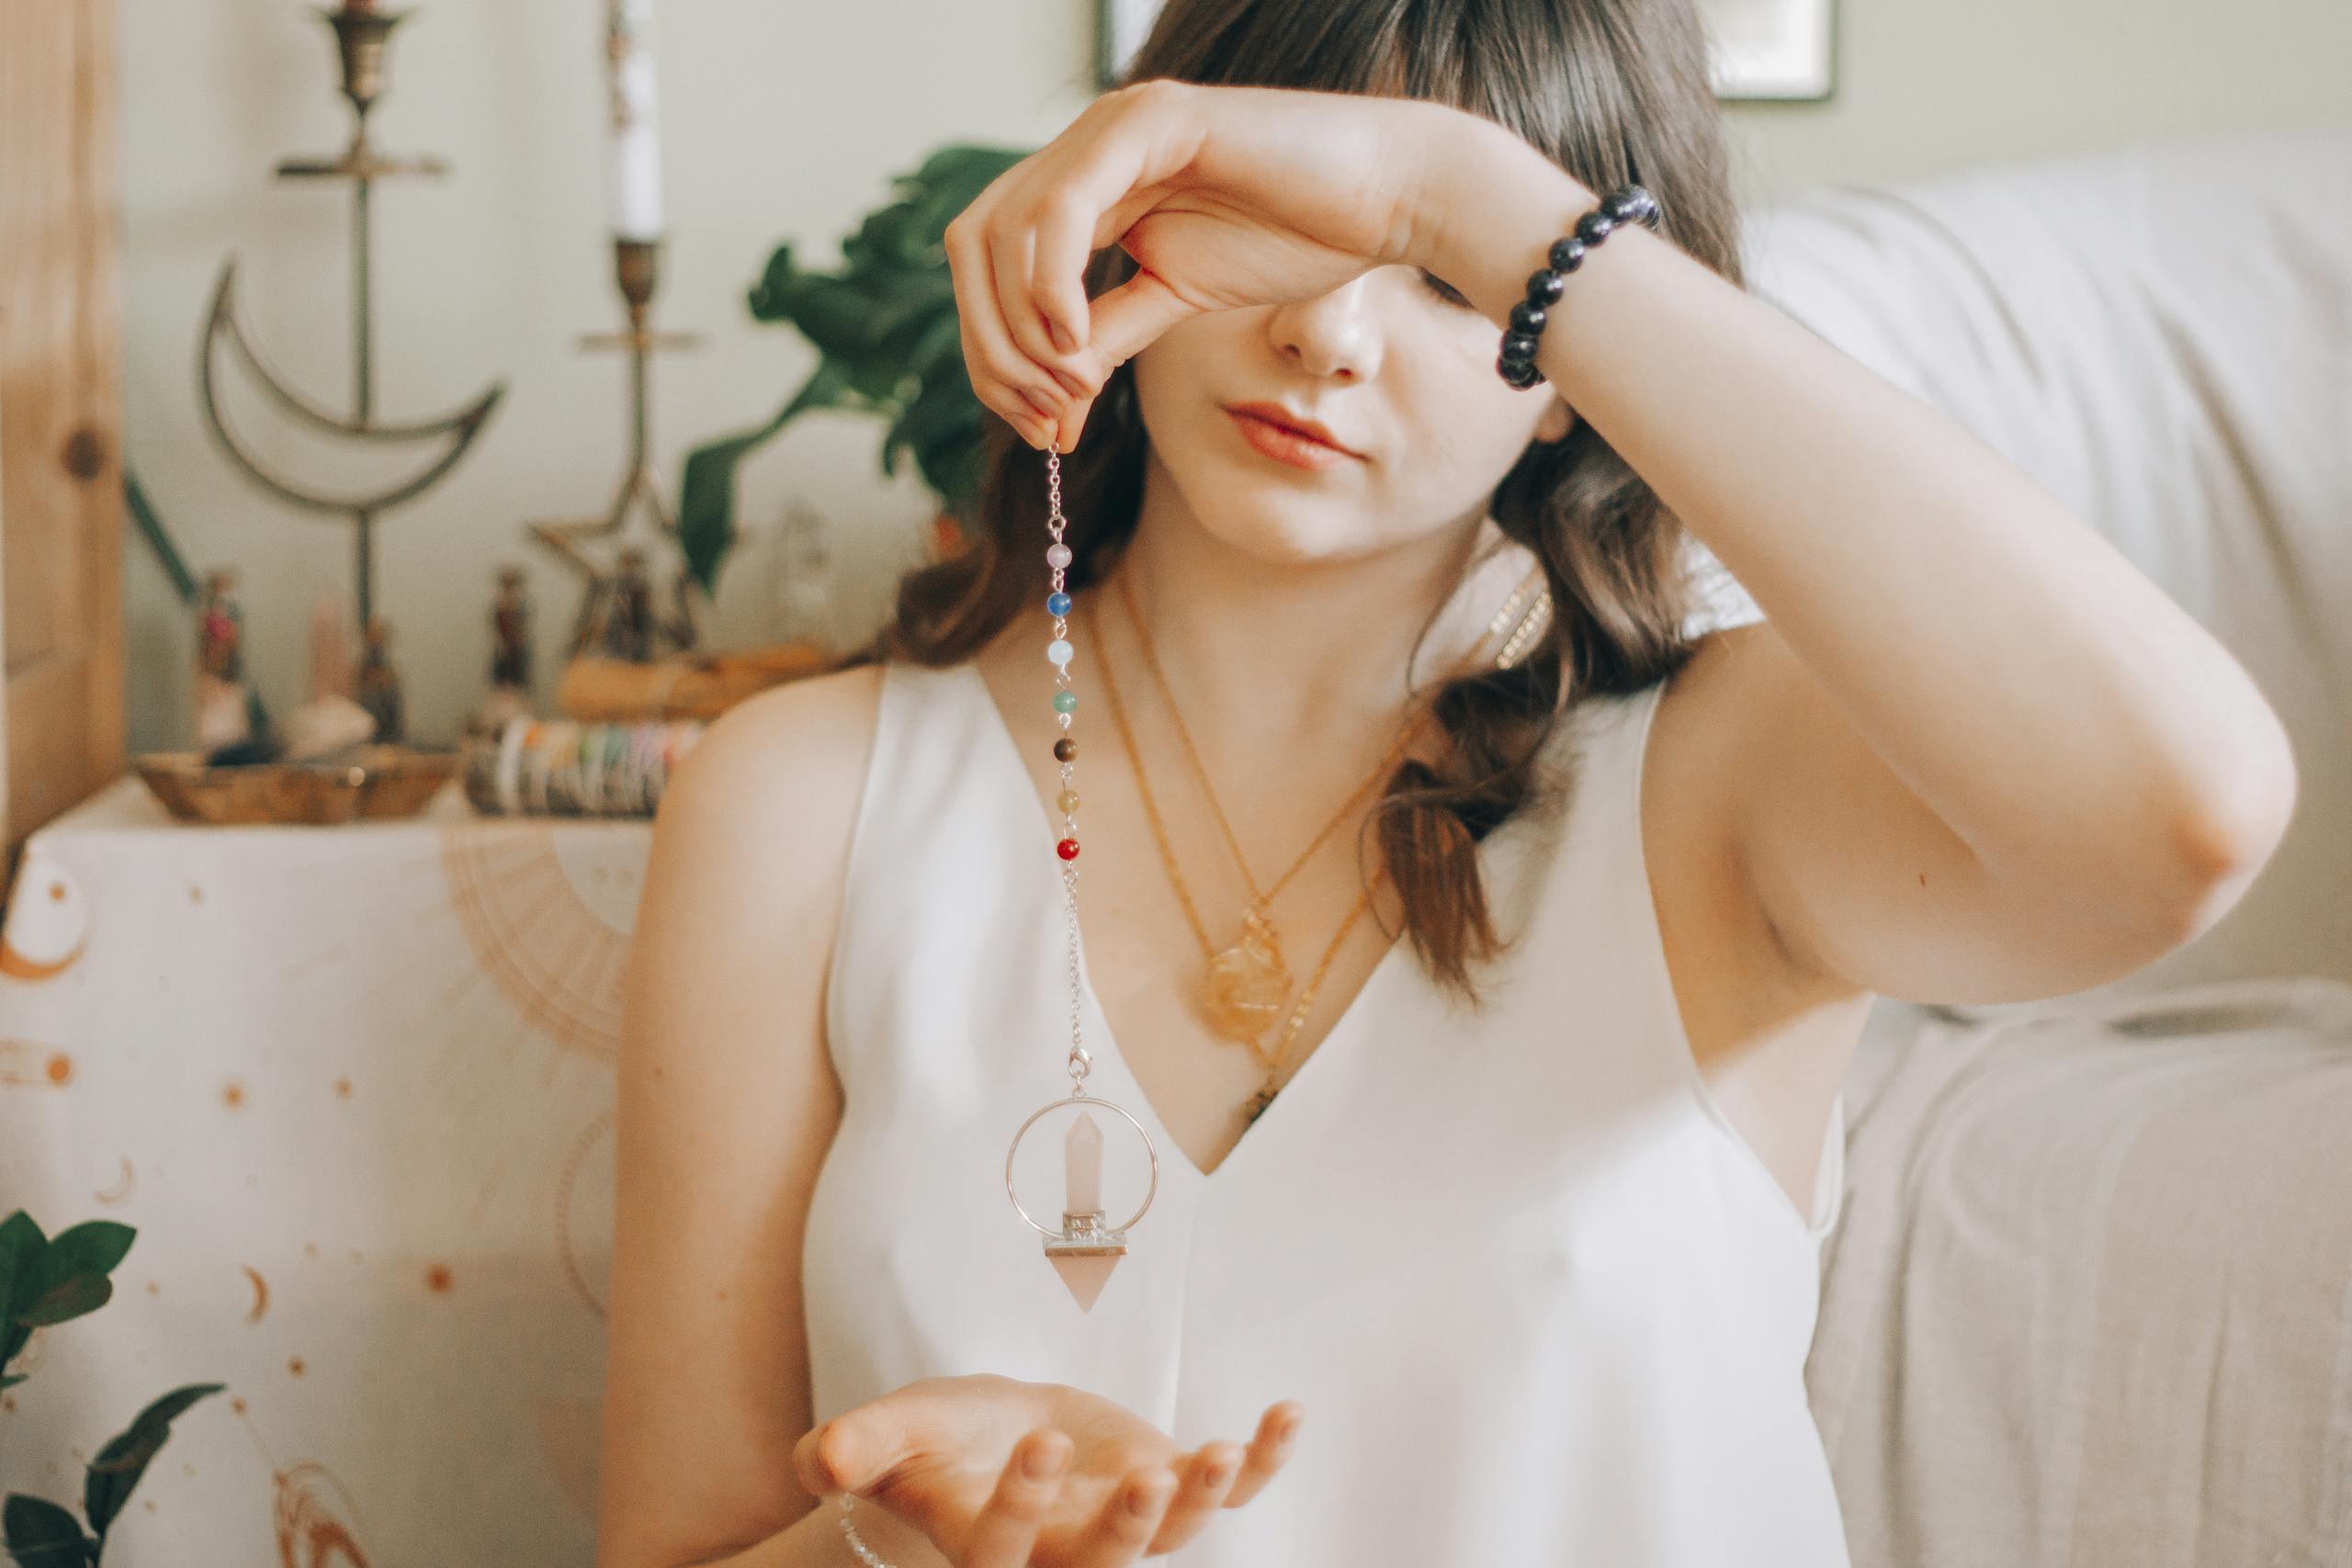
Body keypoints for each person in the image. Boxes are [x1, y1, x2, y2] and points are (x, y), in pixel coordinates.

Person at [594, 4, 2298, 1566]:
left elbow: (2181, 818)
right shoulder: (799, 804)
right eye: (1297, 227)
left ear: (1571, 379)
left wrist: (1467, 196)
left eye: (1443, 284)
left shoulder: (1721, 790)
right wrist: (895, 1548)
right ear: (1133, 213)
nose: (1331, 333)